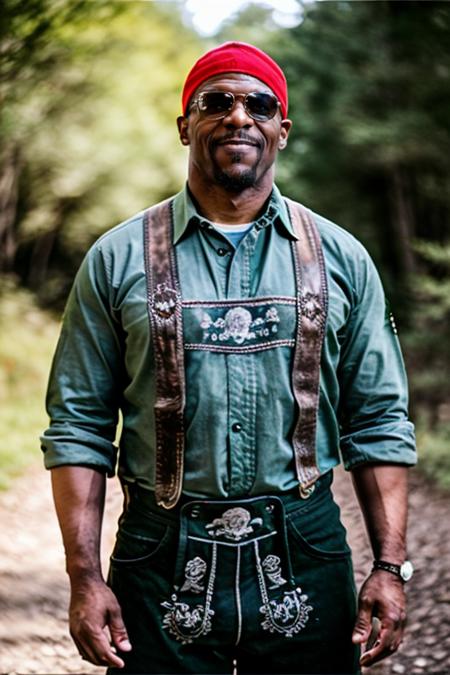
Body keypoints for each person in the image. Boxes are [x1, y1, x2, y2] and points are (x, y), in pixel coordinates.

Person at [41, 42, 417, 675]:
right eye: (216, 102)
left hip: (307, 549)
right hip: (157, 553)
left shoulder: (343, 259)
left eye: (258, 104)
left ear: (282, 129)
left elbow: (378, 420)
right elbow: (78, 426)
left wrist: (388, 567)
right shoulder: (115, 258)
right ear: (186, 125)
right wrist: (84, 579)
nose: (238, 117)